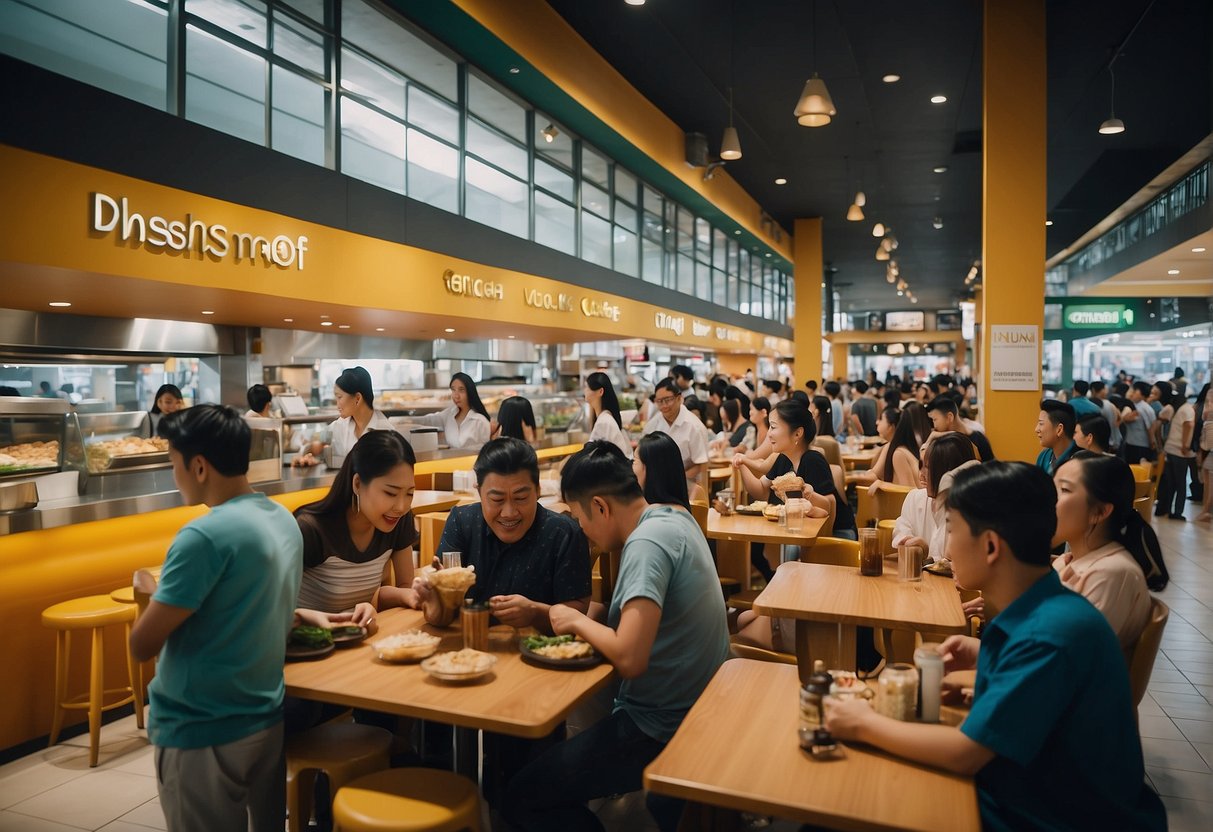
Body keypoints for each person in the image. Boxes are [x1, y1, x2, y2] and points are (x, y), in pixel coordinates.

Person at [825, 462, 1166, 832]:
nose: (946, 545)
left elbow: (965, 754)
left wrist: (862, 723)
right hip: (1025, 791)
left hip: (1047, 815)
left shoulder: (1050, 634)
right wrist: (990, 659)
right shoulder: (1044, 608)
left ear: (990, 546)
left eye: (951, 529)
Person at [502, 441, 731, 832]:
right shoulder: (673, 516)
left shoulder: (646, 544)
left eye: (579, 517)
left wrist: (572, 621)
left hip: (662, 725)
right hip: (704, 703)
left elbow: (629, 658)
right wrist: (547, 613)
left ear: (601, 507)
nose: (582, 530)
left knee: (521, 796)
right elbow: (627, 623)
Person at [129, 405, 302, 832]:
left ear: (199, 466)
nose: (175, 475)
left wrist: (149, 592)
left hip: (202, 728)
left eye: (174, 464)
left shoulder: (202, 537)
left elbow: (141, 645)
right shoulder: (283, 520)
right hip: (264, 719)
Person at [416, 437, 590, 631]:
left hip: (540, 652)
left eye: (521, 498)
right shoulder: (462, 522)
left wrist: (535, 612)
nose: (509, 512)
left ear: (538, 491)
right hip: (470, 650)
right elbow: (442, 617)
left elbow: (579, 609)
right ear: (479, 492)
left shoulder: (563, 533)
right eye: (497, 499)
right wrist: (435, 599)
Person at [294, 430, 420, 617]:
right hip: (308, 642)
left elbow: (404, 587)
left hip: (358, 639)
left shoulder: (398, 520)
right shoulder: (310, 529)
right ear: (358, 484)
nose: (401, 507)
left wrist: (412, 595)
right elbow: (272, 609)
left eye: (409, 493)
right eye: (391, 493)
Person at [1053, 452, 1167, 655]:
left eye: (1064, 490)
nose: (1049, 501)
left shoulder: (1112, 574)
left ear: (1100, 511)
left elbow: (1068, 656)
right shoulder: (1067, 561)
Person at [731, 400, 854, 538]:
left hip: (837, 536)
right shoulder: (783, 458)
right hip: (803, 531)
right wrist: (741, 465)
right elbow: (761, 491)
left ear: (797, 434)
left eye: (773, 427)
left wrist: (808, 494)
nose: (769, 434)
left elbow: (829, 505)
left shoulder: (812, 460)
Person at [892, 432, 979, 563]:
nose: (921, 476)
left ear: (948, 471)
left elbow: (955, 562)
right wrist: (914, 544)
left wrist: (927, 556)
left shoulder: (967, 512)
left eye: (928, 468)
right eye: (921, 467)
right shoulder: (915, 498)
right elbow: (900, 531)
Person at [641, 378, 709, 483]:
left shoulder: (694, 427)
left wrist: (677, 481)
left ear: (679, 398)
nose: (663, 405)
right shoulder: (652, 425)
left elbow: (702, 464)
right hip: (657, 484)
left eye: (668, 400)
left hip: (688, 486)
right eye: (659, 401)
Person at [414, 371, 491, 449]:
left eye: (461, 390)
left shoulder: (480, 421)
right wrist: (407, 420)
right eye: (453, 390)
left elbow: (487, 452)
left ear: (470, 392)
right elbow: (430, 420)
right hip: (452, 460)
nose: (456, 396)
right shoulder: (449, 414)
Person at [634, 432, 705, 508]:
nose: (631, 468)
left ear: (650, 470)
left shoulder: (659, 515)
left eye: (634, 461)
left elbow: (701, 465)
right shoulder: (676, 508)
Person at [855, 406, 920, 488]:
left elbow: (908, 490)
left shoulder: (898, 453)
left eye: (881, 419)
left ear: (891, 426)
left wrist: (882, 484)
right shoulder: (893, 447)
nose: (877, 422)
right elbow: (875, 474)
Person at [1156, 385, 1195, 519]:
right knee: (1181, 483)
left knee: (1171, 482)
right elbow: (1188, 426)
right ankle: (1178, 512)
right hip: (1179, 451)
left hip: (1170, 449)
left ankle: (1168, 509)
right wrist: (1185, 445)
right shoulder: (1187, 409)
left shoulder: (1178, 410)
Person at [584, 371, 633, 458]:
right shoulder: (604, 418)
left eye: (587, 387)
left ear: (600, 391)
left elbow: (594, 456)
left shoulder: (604, 422)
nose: (585, 391)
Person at [1034, 399, 1077, 475]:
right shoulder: (1044, 456)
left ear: (1059, 429)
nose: (1036, 429)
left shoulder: (1079, 461)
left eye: (1041, 423)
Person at [1121, 381, 1157, 464]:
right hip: (1132, 444)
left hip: (1140, 446)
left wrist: (1152, 443)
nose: (1131, 393)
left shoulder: (1143, 407)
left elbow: (1150, 427)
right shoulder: (1135, 405)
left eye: (1134, 391)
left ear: (1142, 394)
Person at [1089, 381, 1121, 452]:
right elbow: (1119, 418)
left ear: (1093, 390)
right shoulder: (1110, 404)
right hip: (1114, 442)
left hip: (1100, 444)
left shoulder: (1092, 405)